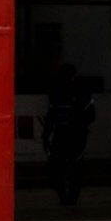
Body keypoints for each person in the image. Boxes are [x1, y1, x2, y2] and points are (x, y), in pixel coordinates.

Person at [42, 63, 95, 205]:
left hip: (66, 134)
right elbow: (91, 116)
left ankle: (67, 199)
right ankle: (70, 199)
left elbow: (51, 117)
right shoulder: (79, 92)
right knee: (73, 169)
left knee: (61, 169)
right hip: (73, 135)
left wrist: (46, 135)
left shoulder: (60, 93)